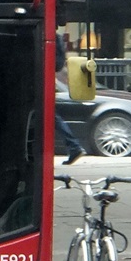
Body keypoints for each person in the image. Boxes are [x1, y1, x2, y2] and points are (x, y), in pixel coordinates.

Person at [55, 30, 85, 165]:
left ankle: (73, 146)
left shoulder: (51, 37)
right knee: (52, 117)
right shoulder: (57, 39)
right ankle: (73, 146)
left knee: (51, 117)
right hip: (47, 80)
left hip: (37, 81)